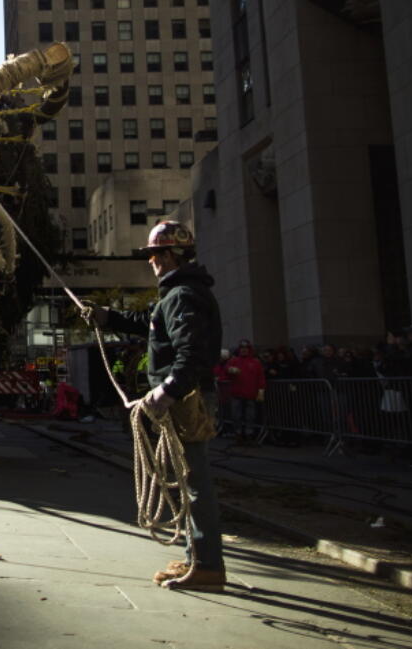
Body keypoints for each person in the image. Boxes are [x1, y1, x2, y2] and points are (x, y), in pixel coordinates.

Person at [81, 220, 225, 593]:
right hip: (184, 397)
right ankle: (198, 558)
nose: (152, 261)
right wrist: (107, 317)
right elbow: (150, 325)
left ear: (172, 254)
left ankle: (208, 565)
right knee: (188, 479)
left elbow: (191, 353)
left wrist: (168, 391)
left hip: (186, 400)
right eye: (151, 255)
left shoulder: (181, 296)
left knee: (194, 483)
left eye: (156, 254)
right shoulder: (178, 294)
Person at [223, 340, 265, 444]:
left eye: (246, 348)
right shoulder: (234, 361)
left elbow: (260, 377)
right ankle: (238, 434)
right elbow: (225, 370)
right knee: (236, 415)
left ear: (249, 349)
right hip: (237, 393)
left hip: (250, 393)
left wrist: (261, 390)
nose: (244, 350)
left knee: (250, 416)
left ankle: (248, 434)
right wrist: (230, 369)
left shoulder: (256, 362)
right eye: (242, 348)